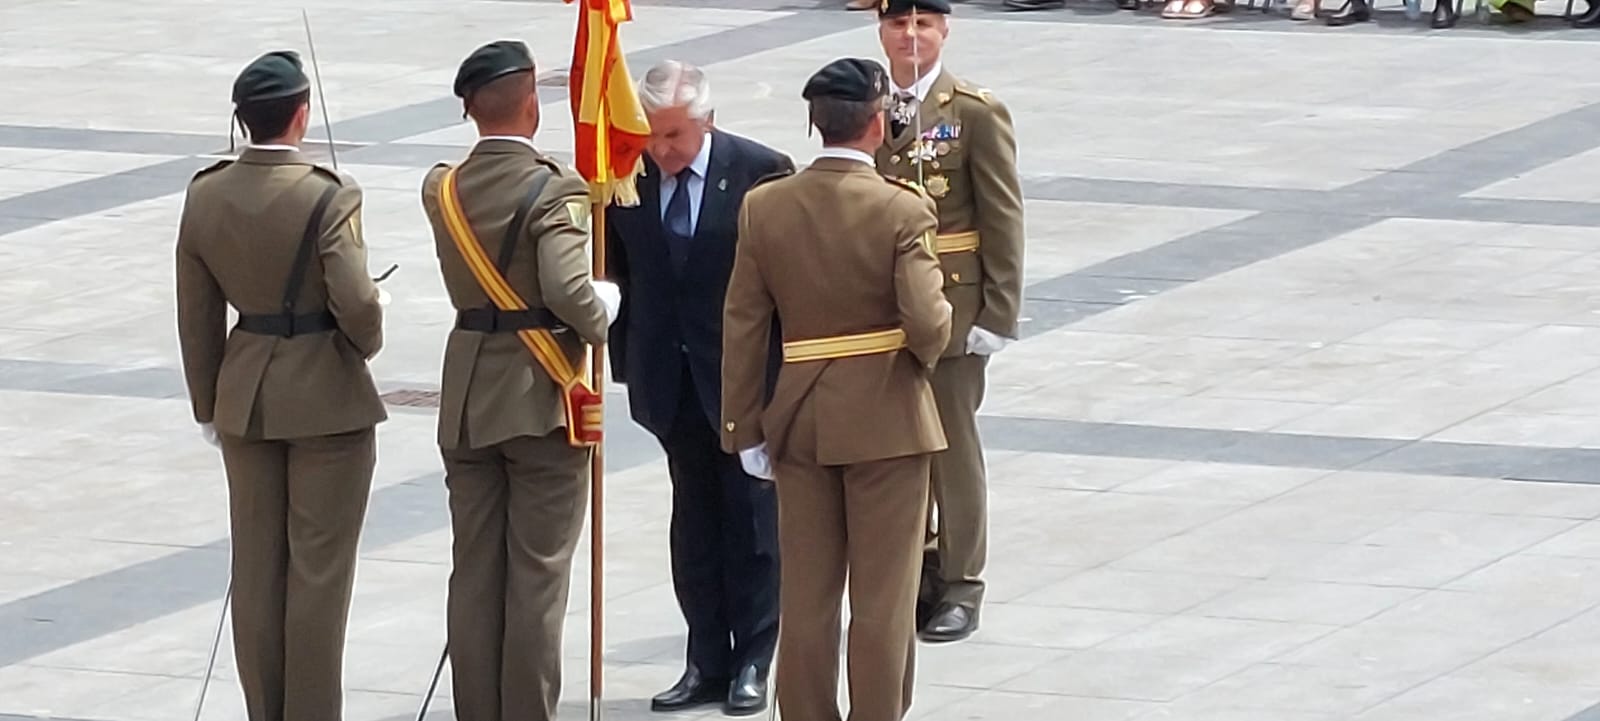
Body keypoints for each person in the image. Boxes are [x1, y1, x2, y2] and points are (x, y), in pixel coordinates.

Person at [721, 57, 952, 721]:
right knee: (883, 597)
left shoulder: (764, 207)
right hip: (888, 418)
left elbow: (742, 325)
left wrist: (743, 426)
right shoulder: (902, 209)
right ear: (877, 124)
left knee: (809, 594)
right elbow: (928, 324)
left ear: (815, 124)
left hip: (798, 418)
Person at [175, 49, 386, 721]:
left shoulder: (205, 193)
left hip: (246, 395)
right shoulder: (328, 192)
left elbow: (197, 311)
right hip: (325, 393)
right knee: (318, 575)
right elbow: (356, 304)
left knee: (257, 569)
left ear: (242, 122)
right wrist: (366, 336)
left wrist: (208, 402)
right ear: (301, 115)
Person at [418, 39, 620, 721]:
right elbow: (569, 291)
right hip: (540, 399)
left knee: (475, 573)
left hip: (468, 397)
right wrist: (604, 310)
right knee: (536, 576)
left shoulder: (440, 186)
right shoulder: (553, 185)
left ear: (470, 108)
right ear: (533, 103)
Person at [605, 60, 794, 716]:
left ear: (707, 121)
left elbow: (784, 282)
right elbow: (619, 272)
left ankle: (755, 659)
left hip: (743, 376)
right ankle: (705, 658)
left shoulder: (760, 171)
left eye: (675, 136)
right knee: (693, 522)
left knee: (752, 521)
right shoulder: (624, 174)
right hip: (670, 376)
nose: (661, 150)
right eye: (653, 136)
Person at [873, 0, 1025, 644]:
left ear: (943, 31)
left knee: (952, 448)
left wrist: (998, 311)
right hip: (880, 308)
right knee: (895, 449)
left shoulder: (971, 110)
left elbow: (1002, 214)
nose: (910, 37)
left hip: (954, 304)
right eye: (898, 25)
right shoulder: (866, 102)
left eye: (922, 25)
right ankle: (917, 574)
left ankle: (962, 583)